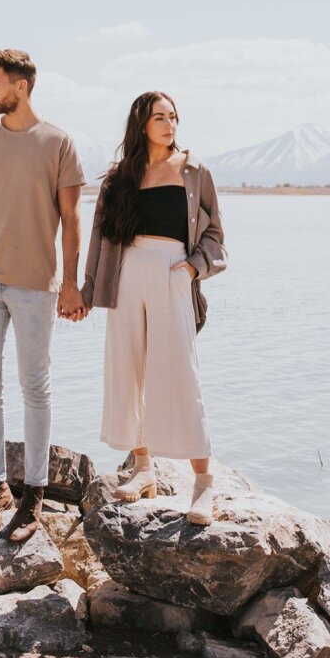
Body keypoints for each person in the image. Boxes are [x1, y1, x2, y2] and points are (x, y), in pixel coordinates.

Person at [0, 49, 86, 542]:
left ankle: (34, 495)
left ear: (21, 86)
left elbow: (71, 219)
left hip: (35, 285)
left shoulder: (57, 142)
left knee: (36, 387)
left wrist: (71, 282)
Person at [81, 90, 226, 524]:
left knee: (180, 374)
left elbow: (215, 233)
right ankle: (143, 468)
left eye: (173, 116)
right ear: (141, 124)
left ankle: (202, 484)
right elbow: (100, 238)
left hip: (172, 273)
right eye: (159, 117)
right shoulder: (119, 177)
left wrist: (192, 269)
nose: (169, 124)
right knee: (128, 370)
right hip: (126, 274)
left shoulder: (194, 170)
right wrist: (88, 290)